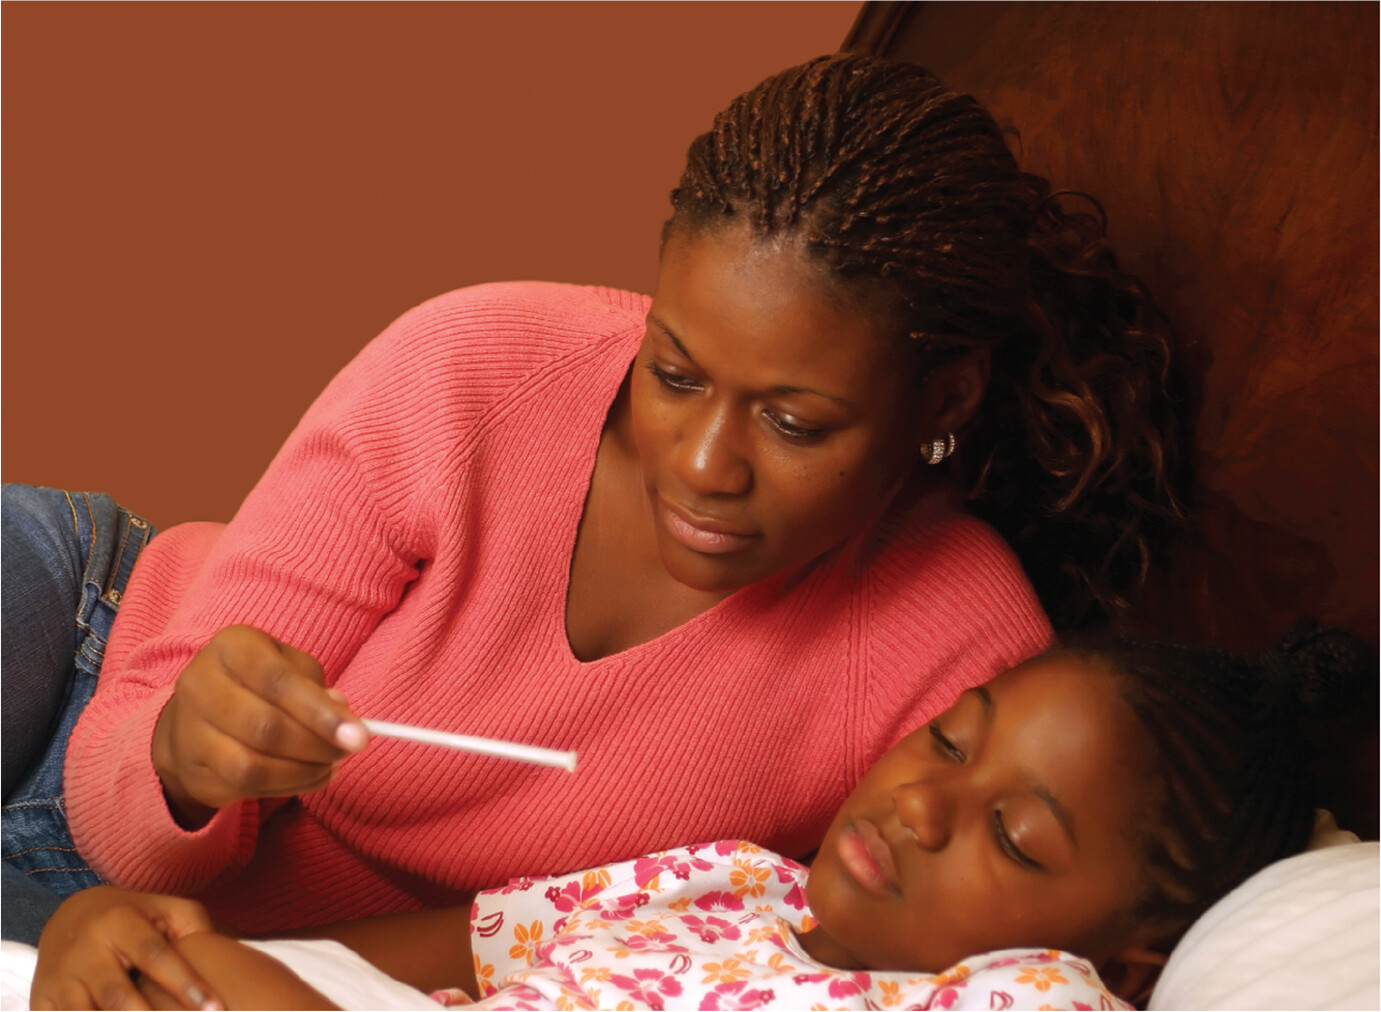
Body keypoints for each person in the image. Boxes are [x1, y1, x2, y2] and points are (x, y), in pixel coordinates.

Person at [1, 52, 1185, 949]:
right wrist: (183, 761)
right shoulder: (476, 368)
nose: (704, 464)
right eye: (674, 372)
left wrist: (274, 975)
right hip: (89, 647)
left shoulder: (959, 665)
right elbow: (127, 795)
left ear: (945, 394)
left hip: (211, 946)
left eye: (793, 423)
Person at [19, 620, 1365, 1010]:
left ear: (1131, 957)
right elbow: (354, 967)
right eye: (948, 741)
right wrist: (132, 934)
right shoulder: (730, 880)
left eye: (1014, 838)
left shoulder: (1029, 998)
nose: (919, 804)